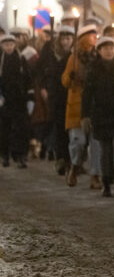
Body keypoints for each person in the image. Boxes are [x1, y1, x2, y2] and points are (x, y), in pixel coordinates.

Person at [82, 37, 114, 197]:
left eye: (111, 48)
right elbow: (87, 94)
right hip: (101, 114)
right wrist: (85, 115)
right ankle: (107, 181)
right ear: (99, 51)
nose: (109, 51)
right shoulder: (93, 69)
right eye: (105, 48)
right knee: (105, 150)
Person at [61, 24, 99, 188]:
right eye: (91, 35)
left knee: (95, 143)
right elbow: (65, 81)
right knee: (78, 142)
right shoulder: (74, 58)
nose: (94, 38)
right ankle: (75, 167)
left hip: (94, 105)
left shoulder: (98, 57)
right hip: (76, 106)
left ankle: (95, 175)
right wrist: (71, 76)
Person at [38, 26, 75, 175]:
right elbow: (41, 71)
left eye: (69, 39)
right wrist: (43, 88)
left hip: (71, 95)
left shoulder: (75, 55)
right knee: (59, 127)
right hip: (56, 95)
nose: (66, 42)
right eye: (63, 39)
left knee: (71, 130)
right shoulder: (51, 53)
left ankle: (71, 159)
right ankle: (61, 157)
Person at [0, 34, 33, 168]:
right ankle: (5, 155)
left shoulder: (21, 59)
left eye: (11, 44)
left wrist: (30, 98)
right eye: (6, 44)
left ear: (15, 45)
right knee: (4, 129)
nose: (9, 47)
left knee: (21, 129)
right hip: (5, 100)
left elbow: (28, 80)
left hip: (20, 99)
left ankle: (20, 156)